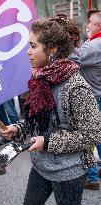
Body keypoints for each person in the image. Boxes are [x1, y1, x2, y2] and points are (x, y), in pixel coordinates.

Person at [1, 15, 101, 205]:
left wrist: (47, 141)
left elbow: (92, 134)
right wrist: (20, 128)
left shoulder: (75, 86)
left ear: (52, 50)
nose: (28, 52)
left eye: (33, 46)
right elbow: (38, 118)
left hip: (68, 172)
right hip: (41, 166)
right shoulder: (40, 79)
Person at [79, 9, 101, 190]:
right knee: (98, 136)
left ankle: (92, 177)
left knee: (88, 138)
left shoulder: (93, 46)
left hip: (92, 97)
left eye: (90, 23)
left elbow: (71, 58)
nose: (87, 25)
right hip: (98, 95)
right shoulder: (94, 43)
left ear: (99, 26)